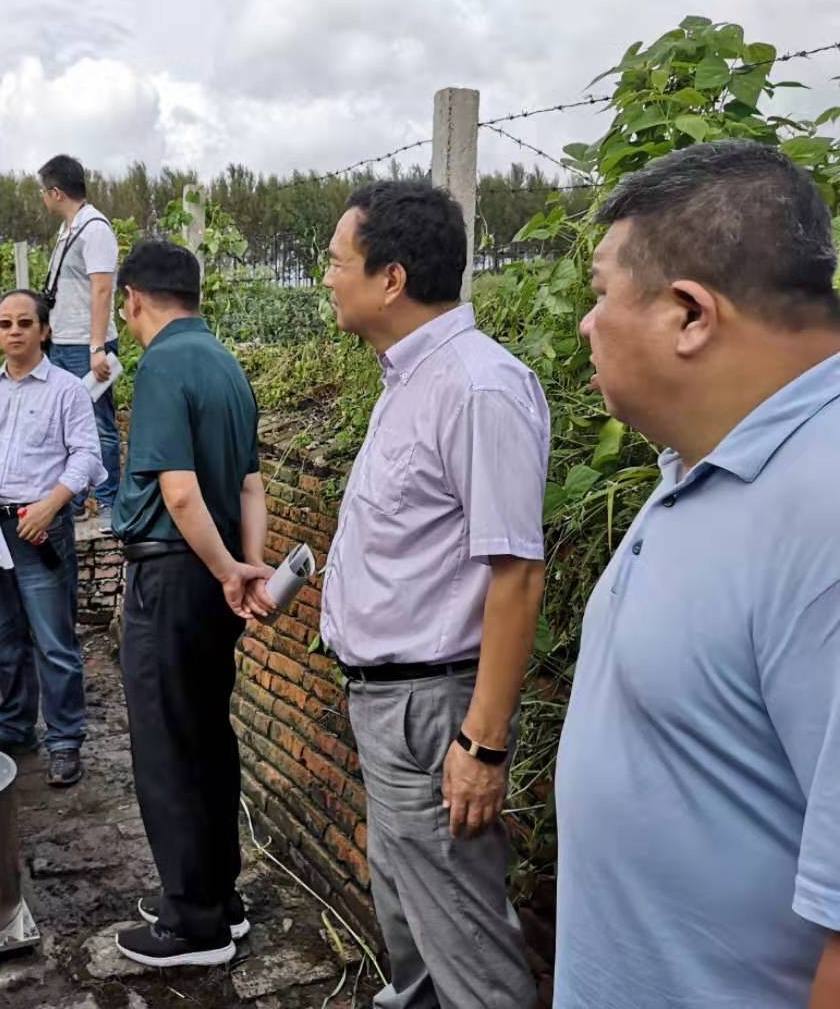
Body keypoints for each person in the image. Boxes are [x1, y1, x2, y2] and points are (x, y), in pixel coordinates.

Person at [555, 140, 840, 1008]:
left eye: (601, 293)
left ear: (688, 314)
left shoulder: (824, 510)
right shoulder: (708, 463)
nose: (586, 324)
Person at [319, 181, 549, 1009]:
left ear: (391, 278)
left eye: (337, 261)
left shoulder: (478, 388)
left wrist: (481, 745)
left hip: (433, 708)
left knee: (462, 937)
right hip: (390, 703)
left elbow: (517, 573)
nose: (326, 278)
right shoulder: (410, 378)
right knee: (409, 918)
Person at [109, 240, 273, 969]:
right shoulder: (225, 364)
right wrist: (246, 565)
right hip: (213, 578)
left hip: (175, 574)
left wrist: (227, 567)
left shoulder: (163, 364)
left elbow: (178, 492)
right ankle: (217, 895)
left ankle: (193, 922)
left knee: (168, 746)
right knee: (206, 734)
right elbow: (250, 486)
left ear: (132, 299)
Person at [0, 289, 104, 787]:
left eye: (24, 323)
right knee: (4, 638)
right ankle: (14, 728)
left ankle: (65, 740)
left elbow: (87, 457)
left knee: (54, 642)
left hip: (41, 531)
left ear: (44, 331)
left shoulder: (67, 390)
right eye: (5, 323)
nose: (14, 331)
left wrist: (51, 505)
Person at [39, 153, 122, 531]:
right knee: (66, 426)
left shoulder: (95, 229)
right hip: (63, 342)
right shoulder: (68, 230)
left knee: (99, 424)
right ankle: (72, 502)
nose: (43, 198)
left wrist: (97, 347)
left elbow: (102, 289)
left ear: (56, 192)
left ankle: (107, 502)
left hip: (86, 346)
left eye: (44, 191)